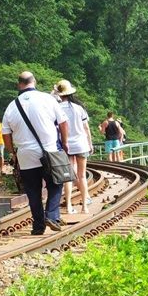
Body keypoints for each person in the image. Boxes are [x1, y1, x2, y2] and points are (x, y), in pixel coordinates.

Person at [2, 71, 68, 235]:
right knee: (55, 184)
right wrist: (65, 143)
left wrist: (12, 153)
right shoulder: (47, 99)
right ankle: (51, 215)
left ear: (19, 84)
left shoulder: (12, 106)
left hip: (25, 155)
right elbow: (63, 122)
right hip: (49, 150)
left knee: (33, 191)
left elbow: (5, 134)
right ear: (34, 82)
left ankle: (38, 226)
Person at [54, 80, 93, 214]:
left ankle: (69, 206)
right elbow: (86, 128)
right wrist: (90, 143)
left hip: (66, 146)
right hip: (81, 144)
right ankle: (85, 206)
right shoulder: (79, 108)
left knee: (68, 177)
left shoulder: (57, 108)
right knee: (81, 176)